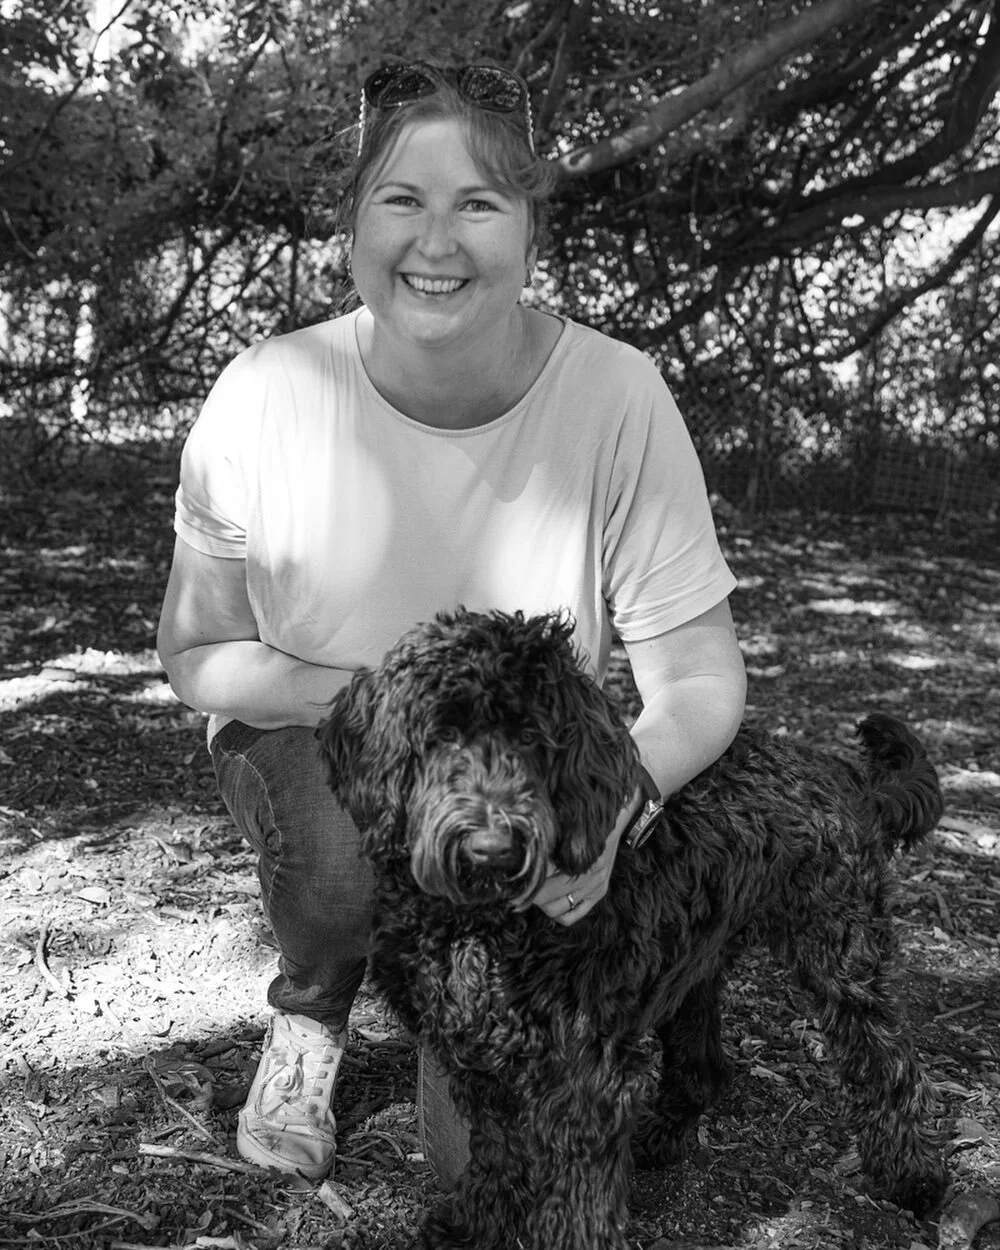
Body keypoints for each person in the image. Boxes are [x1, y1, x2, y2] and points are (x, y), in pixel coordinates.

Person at [156, 59, 747, 1187]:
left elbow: (701, 679)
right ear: (351, 225)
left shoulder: (619, 396)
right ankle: (312, 1011)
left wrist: (620, 801)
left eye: (477, 202)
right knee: (340, 865)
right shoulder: (266, 392)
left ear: (531, 229)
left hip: (520, 769)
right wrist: (382, 700)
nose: (437, 241)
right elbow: (194, 652)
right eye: (402, 200)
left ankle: (493, 1007)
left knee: (485, 1173)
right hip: (320, 737)